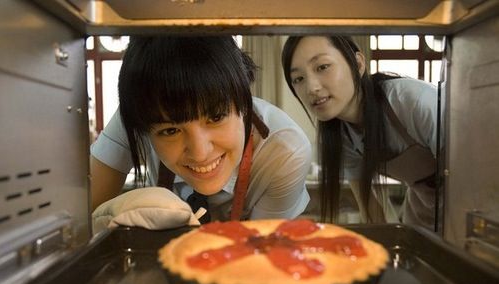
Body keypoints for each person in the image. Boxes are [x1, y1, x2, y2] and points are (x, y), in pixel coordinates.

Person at [90, 36, 312, 223]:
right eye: (170, 131)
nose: (200, 153)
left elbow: (261, 250)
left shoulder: (285, 151)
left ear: (244, 101)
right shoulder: (141, 114)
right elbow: (84, 218)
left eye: (216, 117)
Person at [281, 35, 442, 229]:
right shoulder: (343, 136)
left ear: (357, 64)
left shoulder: (412, 101)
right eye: (298, 78)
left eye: (322, 67)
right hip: (422, 210)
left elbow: (471, 173)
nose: (312, 88)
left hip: (467, 203)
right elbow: (369, 207)